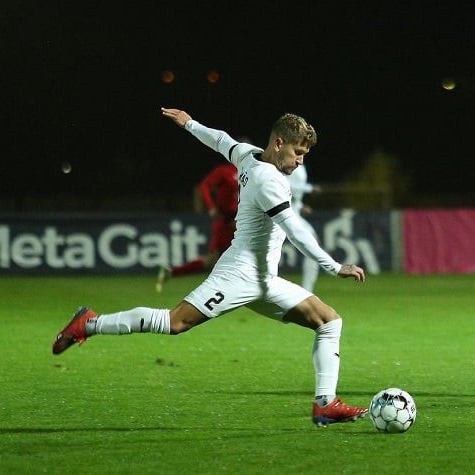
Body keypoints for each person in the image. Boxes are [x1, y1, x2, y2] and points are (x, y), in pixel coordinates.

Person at [53, 108, 369, 426]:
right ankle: (88, 324)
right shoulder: (266, 179)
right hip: (237, 275)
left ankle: (325, 404)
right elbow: (295, 228)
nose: (300, 161)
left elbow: (220, 139)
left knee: (329, 321)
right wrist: (333, 266)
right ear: (278, 143)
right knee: (175, 323)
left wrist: (189, 123)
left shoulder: (248, 156)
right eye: (297, 153)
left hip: (264, 280)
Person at [156, 162, 238, 292]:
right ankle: (172, 272)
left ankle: (172, 272)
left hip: (240, 223)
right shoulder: (225, 171)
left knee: (219, 260)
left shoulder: (251, 171)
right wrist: (211, 208)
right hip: (225, 222)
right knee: (213, 260)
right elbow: (204, 186)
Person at [286, 164, 321, 292]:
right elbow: (283, 185)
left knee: (313, 246)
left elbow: (292, 195)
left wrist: (299, 206)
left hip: (292, 215)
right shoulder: (281, 162)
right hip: (280, 215)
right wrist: (309, 188)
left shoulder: (299, 165)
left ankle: (307, 291)